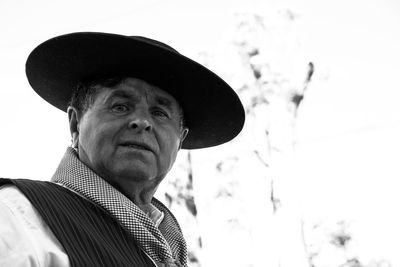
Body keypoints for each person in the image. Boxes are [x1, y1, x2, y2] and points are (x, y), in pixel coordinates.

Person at [0, 32, 245, 267]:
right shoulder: (17, 215)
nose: (143, 122)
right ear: (76, 124)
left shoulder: (168, 246)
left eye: (160, 113)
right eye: (120, 106)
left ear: (180, 141)